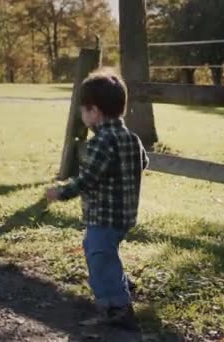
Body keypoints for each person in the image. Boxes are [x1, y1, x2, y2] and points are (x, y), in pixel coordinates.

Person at [46, 69, 149, 331]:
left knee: (99, 256)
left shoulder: (100, 142)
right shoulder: (132, 139)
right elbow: (143, 163)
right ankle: (121, 286)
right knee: (105, 251)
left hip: (104, 216)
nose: (83, 114)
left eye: (84, 109)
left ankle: (116, 307)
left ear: (95, 111)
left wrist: (60, 192)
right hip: (125, 215)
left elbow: (87, 180)